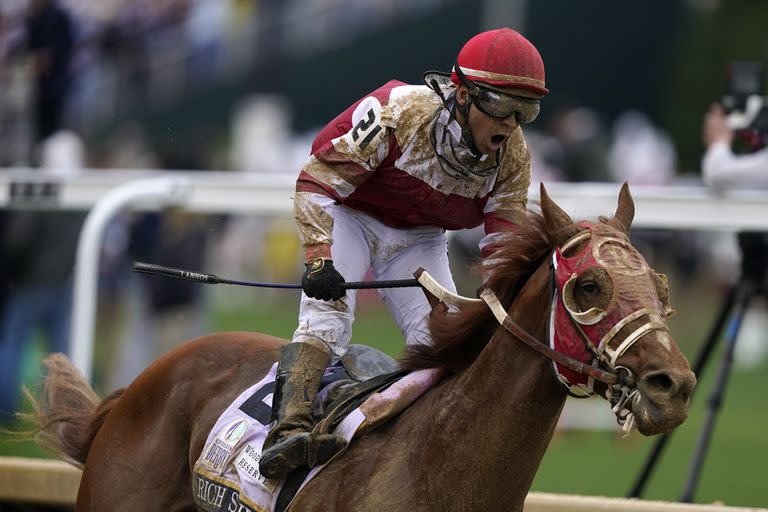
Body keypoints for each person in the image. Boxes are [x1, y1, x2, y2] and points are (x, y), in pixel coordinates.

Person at [259, 27, 548, 479]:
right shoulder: (400, 112)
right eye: (501, 106)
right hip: (350, 213)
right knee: (328, 317)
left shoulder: (513, 156)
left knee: (442, 340)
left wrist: (501, 294)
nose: (511, 124)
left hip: (419, 236)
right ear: (463, 93)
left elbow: (505, 242)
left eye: (525, 111)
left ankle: (429, 445)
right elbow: (317, 179)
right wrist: (319, 256)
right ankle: (286, 431)